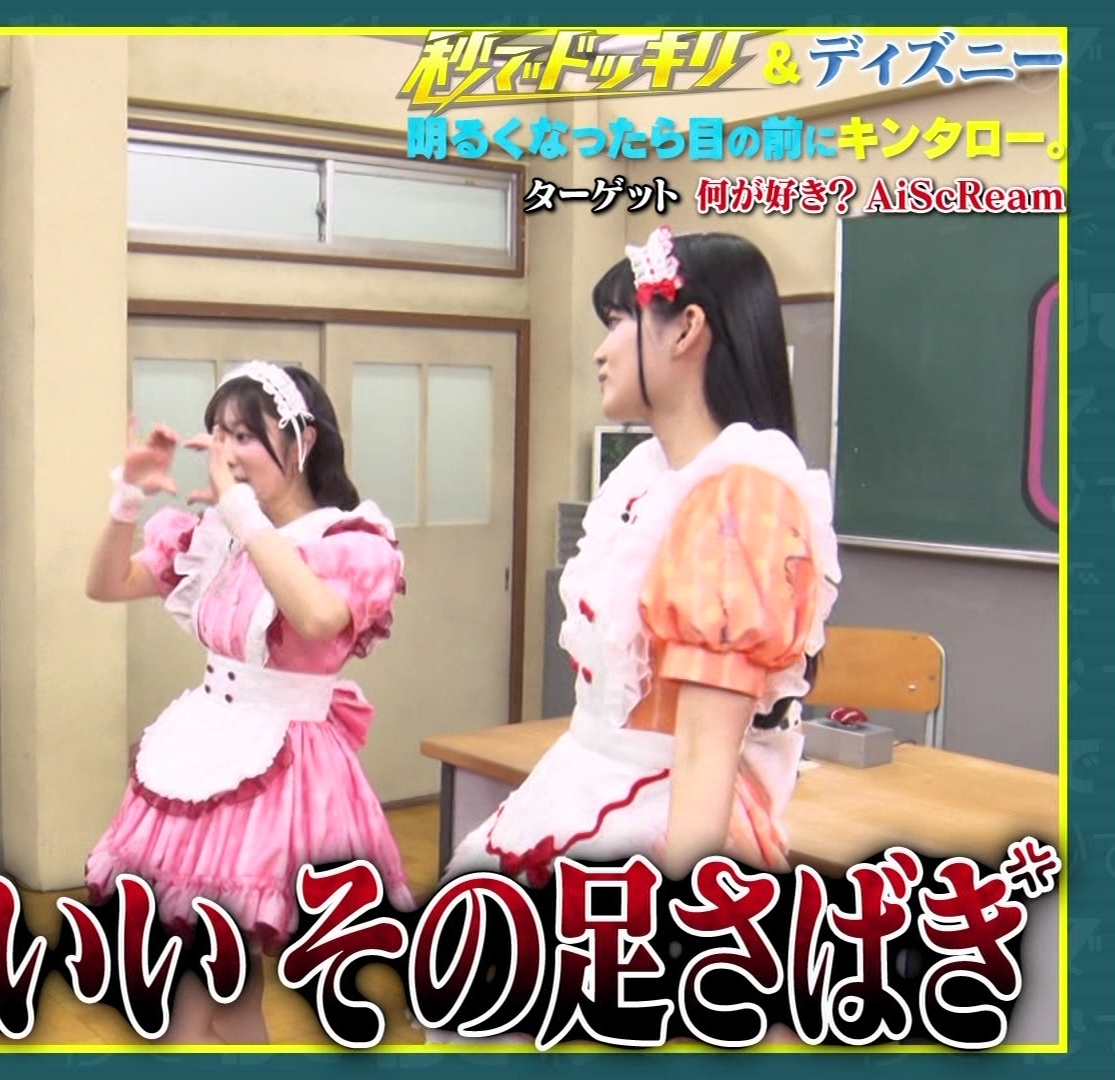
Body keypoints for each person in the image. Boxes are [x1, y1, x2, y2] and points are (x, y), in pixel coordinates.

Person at [431, 226, 840, 1042]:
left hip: (661, 816)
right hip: (582, 783)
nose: (600, 350)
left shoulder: (742, 496)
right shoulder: (648, 479)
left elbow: (706, 751)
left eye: (619, 321)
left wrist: (685, 931)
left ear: (686, 329)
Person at [84, 361, 414, 1045]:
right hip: (206, 746)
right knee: (195, 977)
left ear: (303, 440)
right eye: (217, 434)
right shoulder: (218, 533)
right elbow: (107, 584)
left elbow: (318, 617)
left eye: (243, 435)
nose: (225, 453)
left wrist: (240, 512)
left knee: (230, 979)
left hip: (285, 768)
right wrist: (127, 497)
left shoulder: (348, 541)